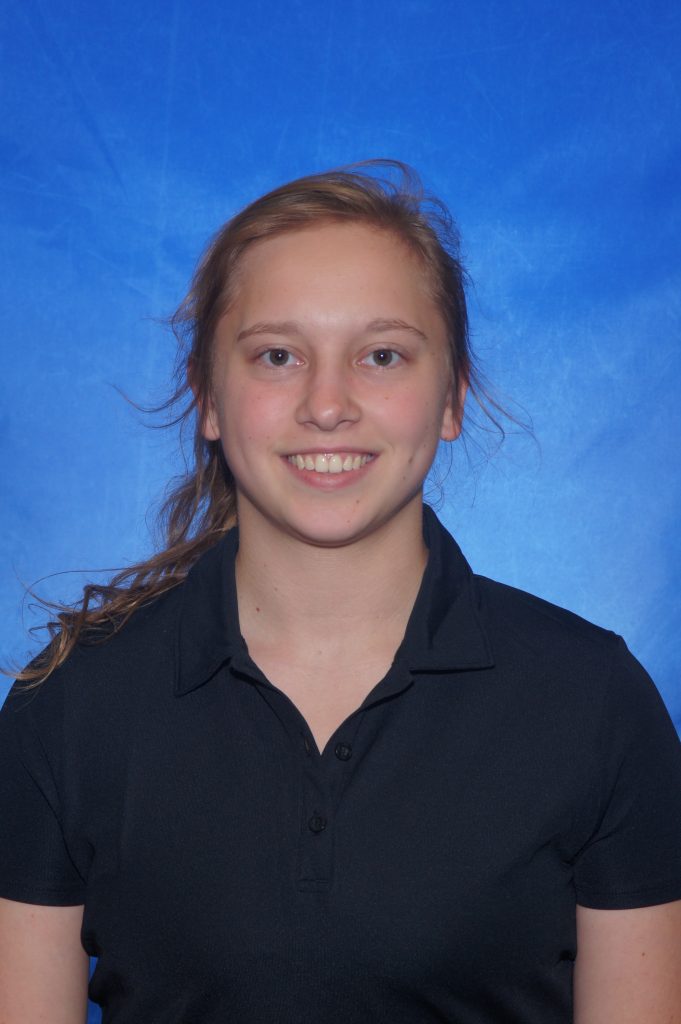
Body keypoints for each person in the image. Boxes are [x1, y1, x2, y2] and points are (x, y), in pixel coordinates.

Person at [1, 162, 680, 1024]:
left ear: (451, 398)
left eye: (381, 355)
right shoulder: (69, 705)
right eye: (277, 356)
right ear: (208, 398)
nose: (327, 405)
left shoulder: (593, 701)